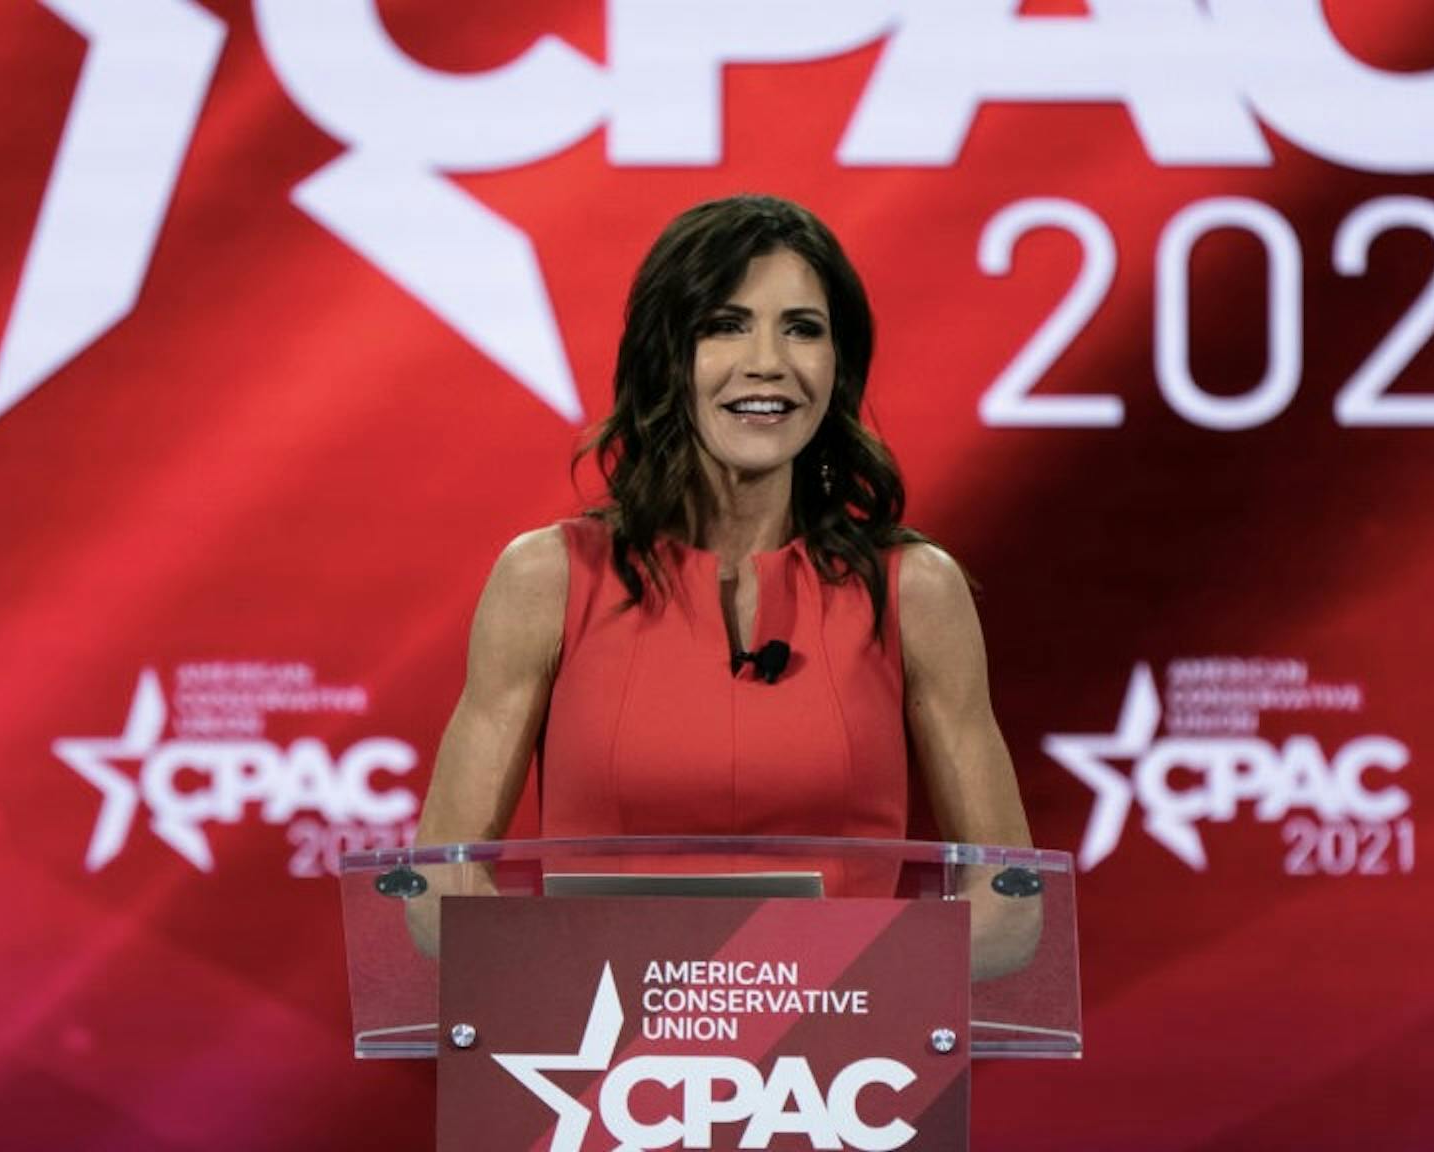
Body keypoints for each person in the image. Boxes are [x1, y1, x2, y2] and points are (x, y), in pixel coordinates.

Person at [412, 195, 1037, 970]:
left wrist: (808, 987)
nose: (768, 361)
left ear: (838, 365)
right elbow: (436, 882)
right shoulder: (548, 579)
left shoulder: (913, 590)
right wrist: (596, 990)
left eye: (803, 329)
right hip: (600, 1061)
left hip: (844, 1068)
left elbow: (1010, 900)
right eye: (725, 324)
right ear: (664, 356)